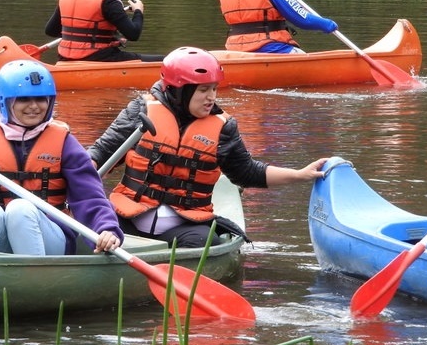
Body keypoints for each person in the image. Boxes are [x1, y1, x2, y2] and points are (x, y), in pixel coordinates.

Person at [87, 46, 329, 248]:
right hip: (126, 219)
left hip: (183, 228)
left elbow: (247, 172)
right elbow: (99, 155)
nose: (211, 97)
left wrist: (299, 175)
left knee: (207, 243)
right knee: (87, 225)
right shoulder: (141, 111)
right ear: (180, 90)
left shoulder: (223, 127)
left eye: (214, 88)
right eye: (203, 90)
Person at [0, 59, 123, 255]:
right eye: (23, 99)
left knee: (20, 208)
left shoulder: (65, 144)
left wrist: (106, 229)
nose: (34, 106)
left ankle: (34, 281)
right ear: (5, 102)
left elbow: (90, 196)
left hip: (50, 241)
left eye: (41, 98)